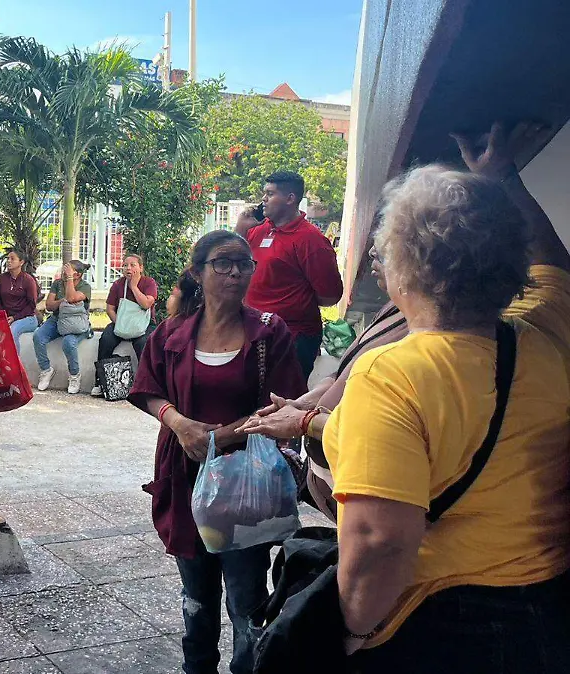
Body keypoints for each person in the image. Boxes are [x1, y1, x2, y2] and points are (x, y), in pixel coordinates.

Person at [323, 126, 570, 671]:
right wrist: (502, 178)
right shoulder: (547, 331)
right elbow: (556, 263)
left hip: (443, 627)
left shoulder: (392, 376)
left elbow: (380, 541)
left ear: (398, 270)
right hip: (552, 608)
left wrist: (346, 633)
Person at [128, 229, 305, 674]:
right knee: (196, 599)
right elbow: (148, 388)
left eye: (244, 263)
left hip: (245, 483)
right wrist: (178, 422)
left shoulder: (268, 333)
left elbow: (283, 409)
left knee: (247, 602)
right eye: (223, 262)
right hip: (186, 477)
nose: (235, 272)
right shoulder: (172, 332)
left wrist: (217, 438)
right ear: (198, 271)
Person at [240, 236, 407, 521]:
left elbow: (387, 433)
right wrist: (303, 404)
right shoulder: (395, 307)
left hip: (381, 513)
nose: (371, 251)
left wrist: (304, 422)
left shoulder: (435, 332)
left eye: (389, 241)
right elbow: (342, 373)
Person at [245, 171, 344, 380]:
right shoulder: (258, 231)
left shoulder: (311, 241)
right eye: (264, 193)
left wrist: (294, 301)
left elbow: (330, 296)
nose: (264, 199)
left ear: (290, 199)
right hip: (251, 332)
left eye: (270, 194)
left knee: (282, 402)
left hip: (291, 338)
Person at [91, 254, 159, 398]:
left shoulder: (149, 283)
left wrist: (133, 286)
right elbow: (110, 308)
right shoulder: (118, 285)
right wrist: (121, 324)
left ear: (141, 268)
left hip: (144, 324)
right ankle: (100, 381)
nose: (128, 268)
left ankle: (145, 386)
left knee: (143, 343)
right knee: (106, 339)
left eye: (133, 265)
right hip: (121, 322)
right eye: (125, 265)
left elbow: (146, 304)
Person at [32, 261, 92, 393]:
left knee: (69, 342)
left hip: (76, 323)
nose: (65, 272)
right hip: (57, 319)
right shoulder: (57, 284)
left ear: (78, 275)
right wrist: (62, 301)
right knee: (38, 336)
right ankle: (46, 369)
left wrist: (69, 281)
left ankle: (75, 375)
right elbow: (49, 305)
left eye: (68, 270)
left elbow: (71, 298)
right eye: (65, 270)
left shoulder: (85, 287)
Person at [0, 249, 40, 344]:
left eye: (12, 259)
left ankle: (15, 359)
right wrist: (3, 316)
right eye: (7, 259)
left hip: (27, 318)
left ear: (21, 262)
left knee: (13, 331)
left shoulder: (28, 280)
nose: (8, 261)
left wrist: (15, 318)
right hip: (7, 318)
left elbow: (32, 305)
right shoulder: (2, 278)